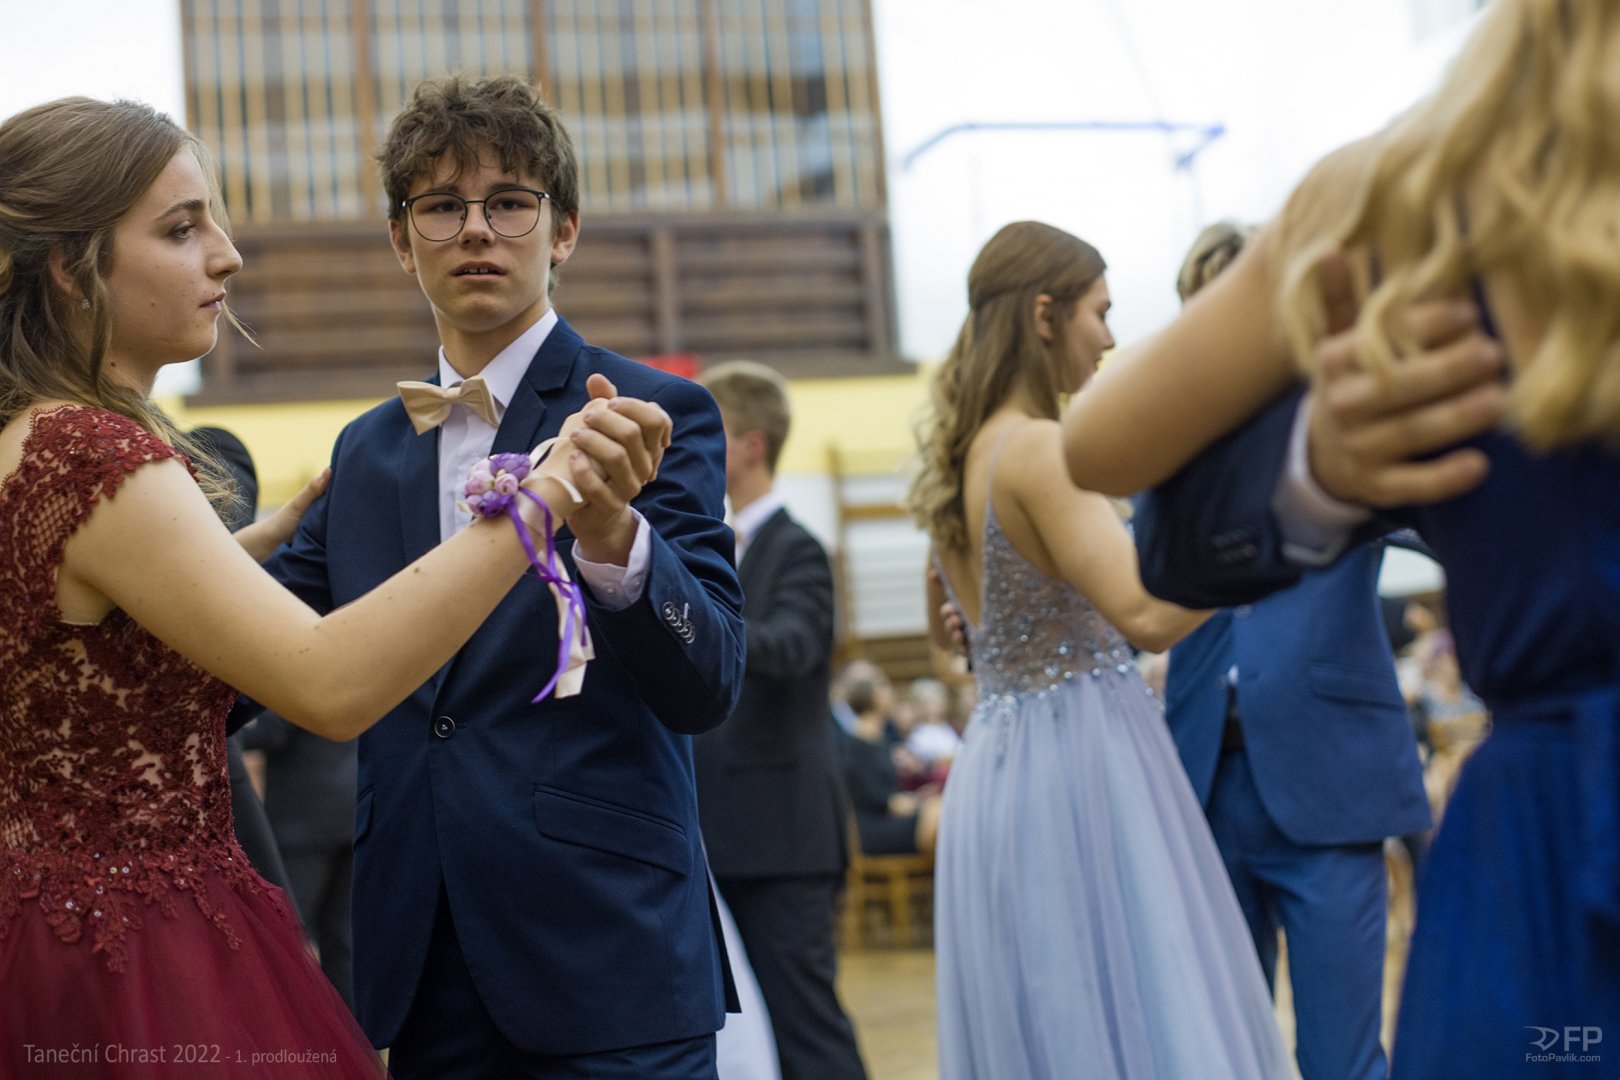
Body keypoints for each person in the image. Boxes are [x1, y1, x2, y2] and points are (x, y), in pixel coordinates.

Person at [0, 96, 648, 1077]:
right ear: (68, 263)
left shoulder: (26, 441)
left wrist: (233, 554)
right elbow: (331, 683)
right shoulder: (94, 456)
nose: (227, 256)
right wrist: (548, 493)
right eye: (181, 229)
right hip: (138, 944)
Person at [1061, 1, 1620, 1074]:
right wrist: (1317, 459)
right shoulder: (1415, 189)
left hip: (1373, 786)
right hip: (1531, 826)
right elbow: (1107, 444)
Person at [262, 73, 745, 1080]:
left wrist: (613, 534)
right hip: (418, 956)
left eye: (509, 202)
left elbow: (708, 682)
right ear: (402, 241)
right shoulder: (364, 454)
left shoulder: (653, 413)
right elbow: (251, 654)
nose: (477, 229)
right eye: (442, 205)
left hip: (608, 947)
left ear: (563, 230)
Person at [910, 220, 1291, 1080]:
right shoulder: (1038, 447)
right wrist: (1270, 548)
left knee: (1054, 1013)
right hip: (1086, 761)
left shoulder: (960, 457)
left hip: (995, 764)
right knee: (1140, 1008)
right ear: (1045, 315)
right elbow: (1145, 614)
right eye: (1101, 312)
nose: (1112, 338)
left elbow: (946, 639)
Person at [1160, 224, 1430, 1080]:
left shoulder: (1345, 427)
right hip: (1201, 783)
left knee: (1340, 1060)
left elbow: (1439, 513)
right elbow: (1118, 581)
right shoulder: (1163, 443)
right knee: (1221, 1056)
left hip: (1331, 783)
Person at [691, 360, 867, 1080]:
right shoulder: (712, 543)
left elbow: (795, 646)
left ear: (752, 444)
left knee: (806, 1028)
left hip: (780, 833)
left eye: (710, 431)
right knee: (745, 1037)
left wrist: (696, 623)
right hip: (721, 831)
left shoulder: (797, 548)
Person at [839, 663, 941, 857]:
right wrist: (916, 803)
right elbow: (881, 799)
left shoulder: (881, 741)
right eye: (884, 688)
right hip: (873, 828)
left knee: (940, 808)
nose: (891, 694)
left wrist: (917, 798)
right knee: (936, 814)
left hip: (890, 817)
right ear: (873, 698)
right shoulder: (856, 745)